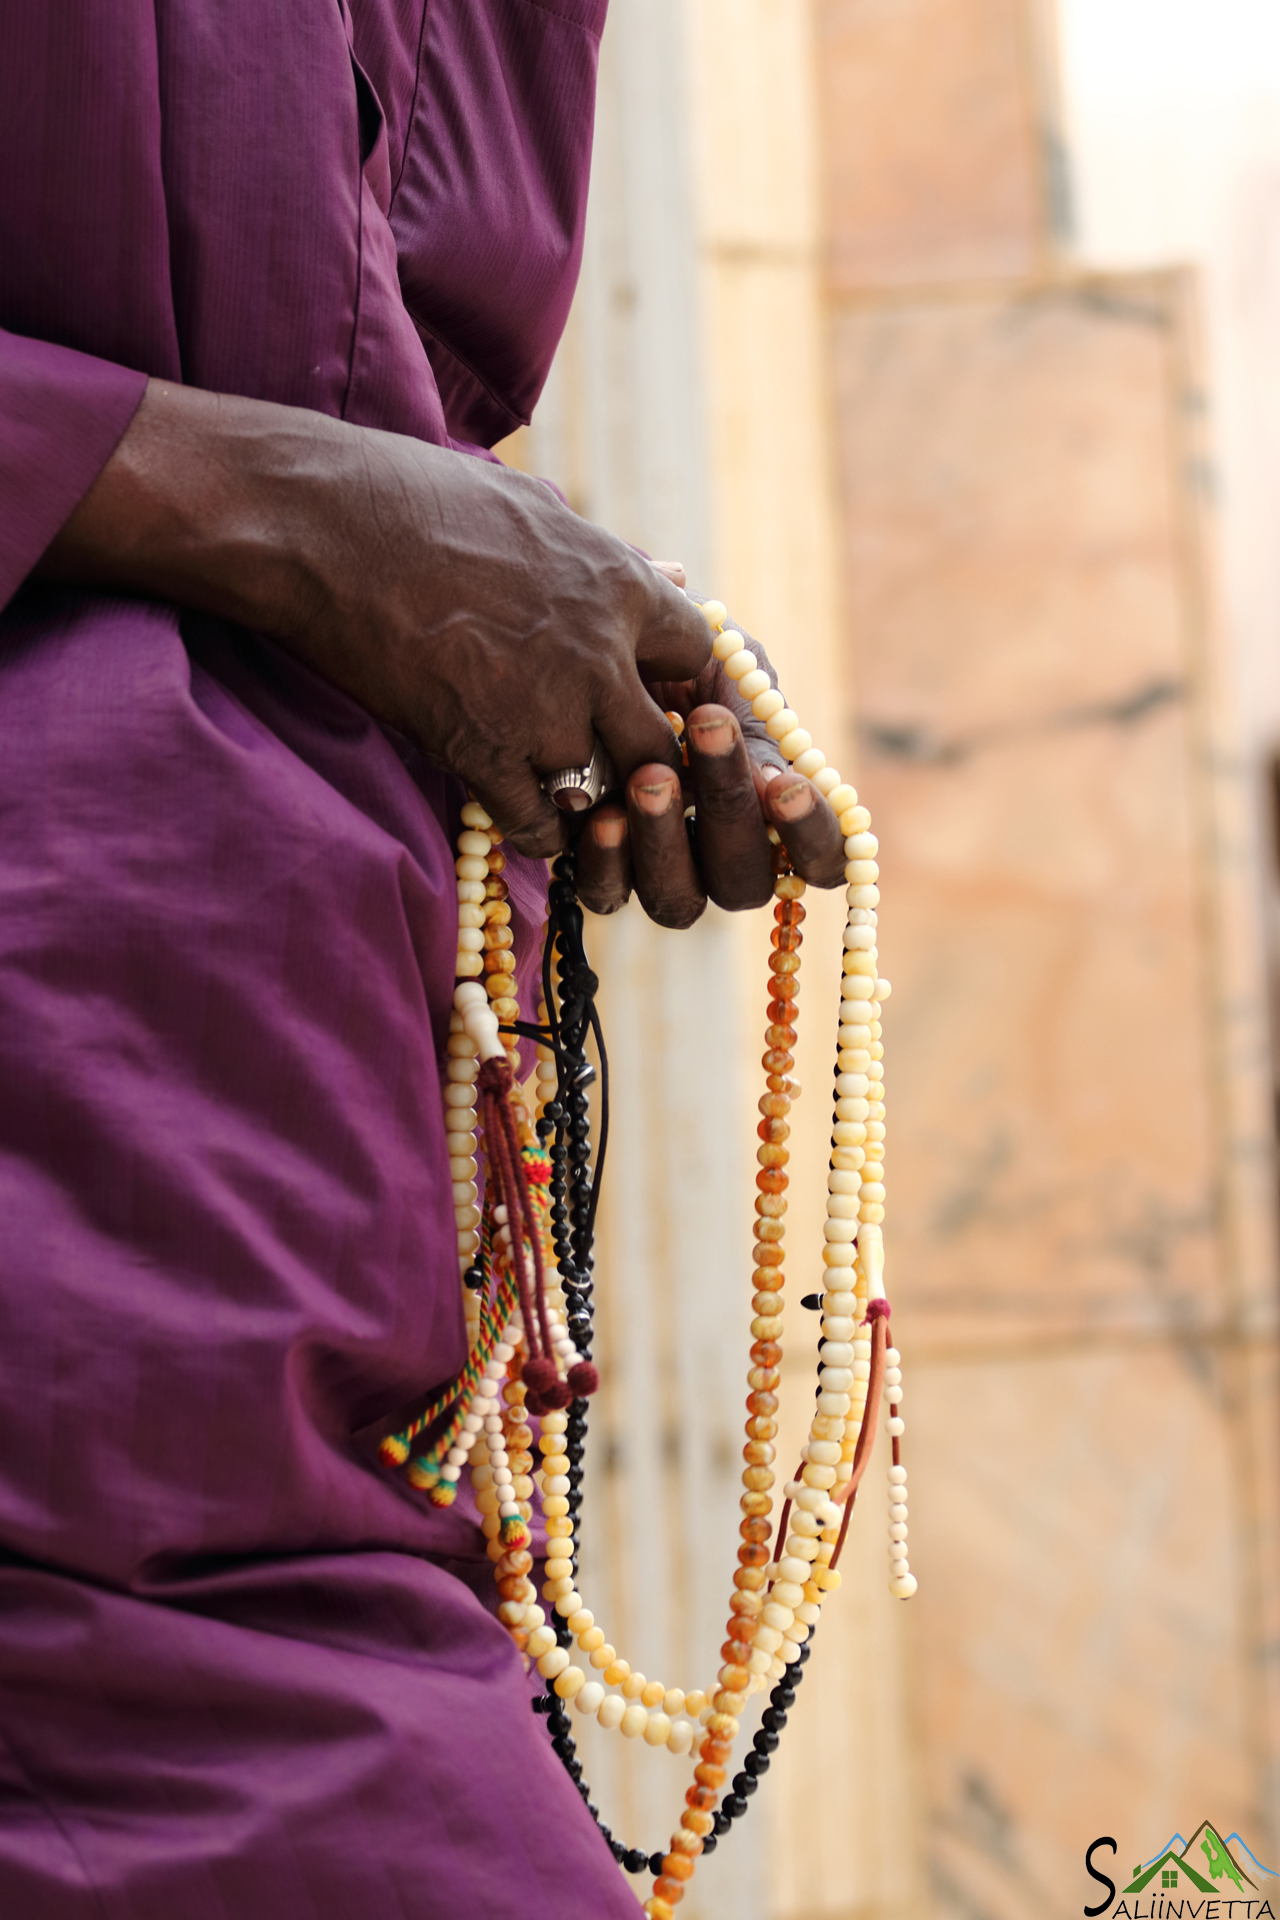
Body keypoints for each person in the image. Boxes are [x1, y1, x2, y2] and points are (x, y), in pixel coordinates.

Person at [0, 4, 843, 1914]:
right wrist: (281, 511)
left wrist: (538, 635)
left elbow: (380, 376)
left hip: (322, 1233)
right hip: (79, 1273)